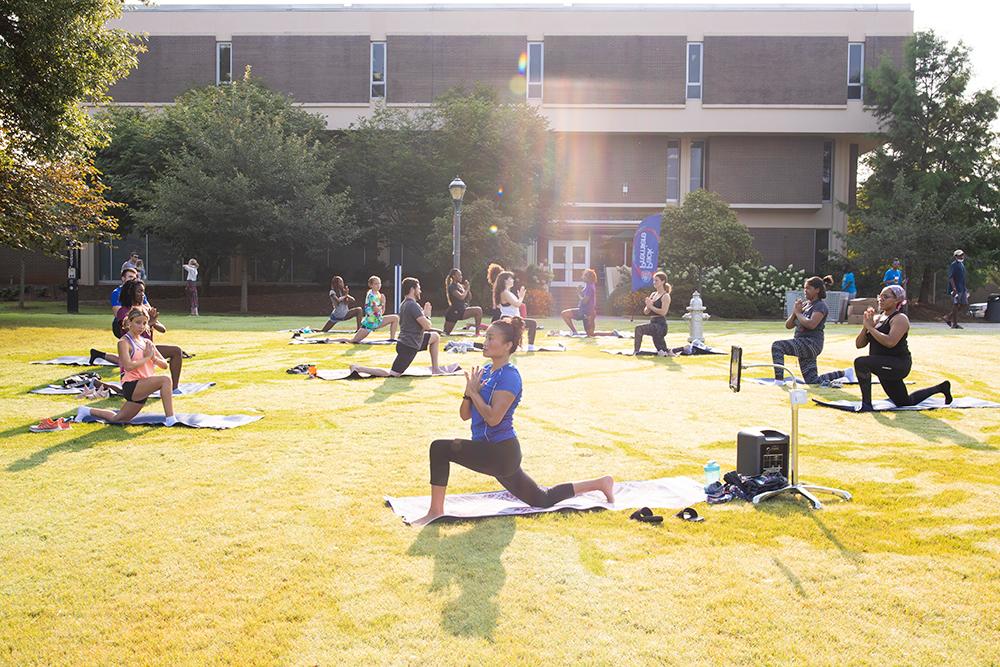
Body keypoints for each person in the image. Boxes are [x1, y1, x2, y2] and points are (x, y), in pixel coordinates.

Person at [410, 317, 615, 526]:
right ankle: (601, 483)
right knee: (542, 498)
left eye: (491, 338)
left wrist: (475, 393)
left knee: (439, 449)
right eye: (486, 337)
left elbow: (493, 418)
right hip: (489, 450)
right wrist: (467, 394)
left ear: (508, 346)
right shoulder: (487, 371)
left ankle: (435, 511)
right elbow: (465, 415)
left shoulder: (510, 377)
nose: (485, 342)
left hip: (501, 453)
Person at [850, 285, 952, 412]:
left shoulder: (900, 319)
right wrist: (866, 327)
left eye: (885, 297)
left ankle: (866, 404)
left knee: (861, 362)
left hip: (898, 365)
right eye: (879, 296)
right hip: (882, 364)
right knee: (905, 402)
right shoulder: (877, 318)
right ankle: (941, 388)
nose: (881, 299)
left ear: (897, 300)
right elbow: (859, 345)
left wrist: (871, 328)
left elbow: (890, 342)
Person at [77, 308, 178, 426]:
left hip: (144, 386)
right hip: (132, 385)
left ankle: (85, 410)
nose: (141, 326)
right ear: (129, 322)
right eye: (138, 322)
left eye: (144, 323)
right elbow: (128, 366)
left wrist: (153, 358)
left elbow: (165, 365)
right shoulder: (124, 342)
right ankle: (171, 419)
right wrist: (146, 358)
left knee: (118, 418)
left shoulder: (146, 342)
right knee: (165, 380)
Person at [93, 280, 184, 391]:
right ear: (131, 293)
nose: (142, 295)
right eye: (139, 292)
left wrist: (153, 321)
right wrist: (149, 323)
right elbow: (132, 331)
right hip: (134, 352)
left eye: (143, 292)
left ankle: (174, 388)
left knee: (176, 351)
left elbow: (162, 329)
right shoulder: (123, 311)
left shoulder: (145, 310)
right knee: (130, 390)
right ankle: (99, 384)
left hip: (147, 348)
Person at [350, 277, 443, 377]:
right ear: (412, 289)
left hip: (414, 340)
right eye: (418, 288)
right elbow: (427, 326)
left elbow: (416, 321)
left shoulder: (405, 303)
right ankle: (358, 368)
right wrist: (427, 315)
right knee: (393, 374)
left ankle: (435, 369)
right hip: (409, 346)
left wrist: (423, 314)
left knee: (435, 337)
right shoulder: (412, 305)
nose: (420, 291)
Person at [771, 276, 837, 384]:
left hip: (811, 344)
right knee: (812, 381)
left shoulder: (820, 306)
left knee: (777, 346)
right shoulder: (805, 305)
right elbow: (788, 325)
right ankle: (844, 373)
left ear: (817, 290)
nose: (805, 291)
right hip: (803, 343)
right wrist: (795, 312)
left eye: (808, 288)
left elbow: (811, 324)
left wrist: (798, 313)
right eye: (804, 288)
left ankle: (779, 380)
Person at [634, 271, 675, 356]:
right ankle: (683, 349)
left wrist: (651, 306)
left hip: (661, 326)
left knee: (639, 329)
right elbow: (646, 312)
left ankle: (636, 351)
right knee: (662, 350)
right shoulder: (653, 294)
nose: (654, 282)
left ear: (663, 281)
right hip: (653, 323)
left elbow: (663, 312)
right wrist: (648, 305)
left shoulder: (666, 296)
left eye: (656, 280)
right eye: (653, 280)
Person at [350, 275, 399, 343]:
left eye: (379, 283)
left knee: (395, 318)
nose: (378, 285)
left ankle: (392, 339)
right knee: (353, 341)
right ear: (371, 285)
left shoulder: (378, 294)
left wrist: (383, 304)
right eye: (376, 284)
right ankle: (332, 340)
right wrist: (383, 302)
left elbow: (381, 312)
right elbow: (376, 309)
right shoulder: (371, 295)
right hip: (370, 323)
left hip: (377, 321)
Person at [495, 271, 538, 346]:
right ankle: (530, 346)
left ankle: (528, 345)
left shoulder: (507, 292)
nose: (513, 280)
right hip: (509, 319)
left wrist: (519, 297)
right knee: (533, 323)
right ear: (505, 281)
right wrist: (521, 297)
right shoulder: (505, 292)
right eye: (510, 279)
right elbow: (517, 304)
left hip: (513, 318)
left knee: (531, 323)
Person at [442, 268, 483, 335]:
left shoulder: (460, 286)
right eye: (459, 275)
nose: (461, 277)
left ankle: (477, 333)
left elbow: (469, 297)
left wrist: (467, 288)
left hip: (462, 310)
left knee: (478, 310)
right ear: (454, 276)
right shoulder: (452, 287)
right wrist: (466, 289)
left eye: (461, 275)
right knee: (445, 333)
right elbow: (461, 297)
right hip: (454, 312)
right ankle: (429, 331)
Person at [560, 268, 598, 336]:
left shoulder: (590, 287)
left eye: (584, 276)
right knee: (564, 314)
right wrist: (580, 291)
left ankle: (612, 333)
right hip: (584, 311)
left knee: (590, 334)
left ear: (588, 277)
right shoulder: (589, 285)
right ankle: (574, 332)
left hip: (586, 313)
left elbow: (585, 301)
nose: (582, 277)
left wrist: (578, 294)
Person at [946, 249, 968, 329]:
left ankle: (948, 317)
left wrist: (966, 289)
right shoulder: (954, 265)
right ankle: (954, 324)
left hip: (962, 288)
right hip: (956, 289)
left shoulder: (962, 265)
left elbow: (963, 278)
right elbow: (951, 277)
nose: (961, 256)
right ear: (955, 256)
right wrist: (954, 288)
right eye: (959, 255)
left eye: (962, 255)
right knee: (955, 304)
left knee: (964, 304)